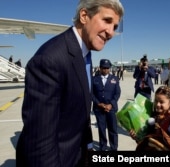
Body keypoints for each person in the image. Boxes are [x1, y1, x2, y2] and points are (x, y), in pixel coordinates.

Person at [16, 1, 124, 167]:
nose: (111, 32)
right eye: (107, 21)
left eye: (115, 26)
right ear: (84, 16)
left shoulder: (83, 54)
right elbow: (40, 143)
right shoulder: (50, 60)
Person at [92, 59, 121, 151]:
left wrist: (111, 105)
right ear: (100, 68)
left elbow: (117, 93)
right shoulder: (94, 79)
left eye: (107, 68)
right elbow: (91, 93)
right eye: (104, 68)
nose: (106, 70)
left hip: (111, 109)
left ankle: (114, 147)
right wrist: (98, 103)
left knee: (113, 129)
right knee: (101, 129)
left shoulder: (114, 79)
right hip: (99, 109)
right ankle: (103, 146)